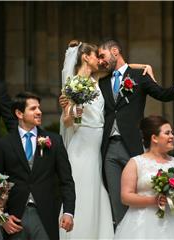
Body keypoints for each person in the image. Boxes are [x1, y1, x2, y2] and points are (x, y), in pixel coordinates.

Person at [97, 39, 174, 226]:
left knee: (140, 192)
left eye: (102, 55)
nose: (100, 61)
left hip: (132, 144)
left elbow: (162, 94)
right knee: (117, 198)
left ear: (115, 51)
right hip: (108, 148)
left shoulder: (139, 76)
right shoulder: (102, 81)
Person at [0, 92, 76, 240]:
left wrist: (68, 212)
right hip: (15, 218)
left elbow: (66, 180)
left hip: (45, 215)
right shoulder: (3, 144)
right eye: (33, 108)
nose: (39, 112)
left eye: (39, 108)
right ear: (19, 113)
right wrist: (2, 218)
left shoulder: (55, 141)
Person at [114, 115, 174, 239]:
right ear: (154, 138)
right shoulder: (136, 163)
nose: (172, 136)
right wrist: (154, 201)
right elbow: (126, 197)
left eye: (172, 133)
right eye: (167, 133)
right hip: (143, 224)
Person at [59, 40, 114, 239]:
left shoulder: (98, 77)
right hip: (82, 138)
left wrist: (144, 66)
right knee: (80, 183)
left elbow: (122, 67)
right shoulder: (71, 83)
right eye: (95, 56)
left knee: (95, 183)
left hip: (97, 138)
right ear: (85, 57)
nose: (99, 60)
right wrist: (74, 111)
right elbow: (66, 122)